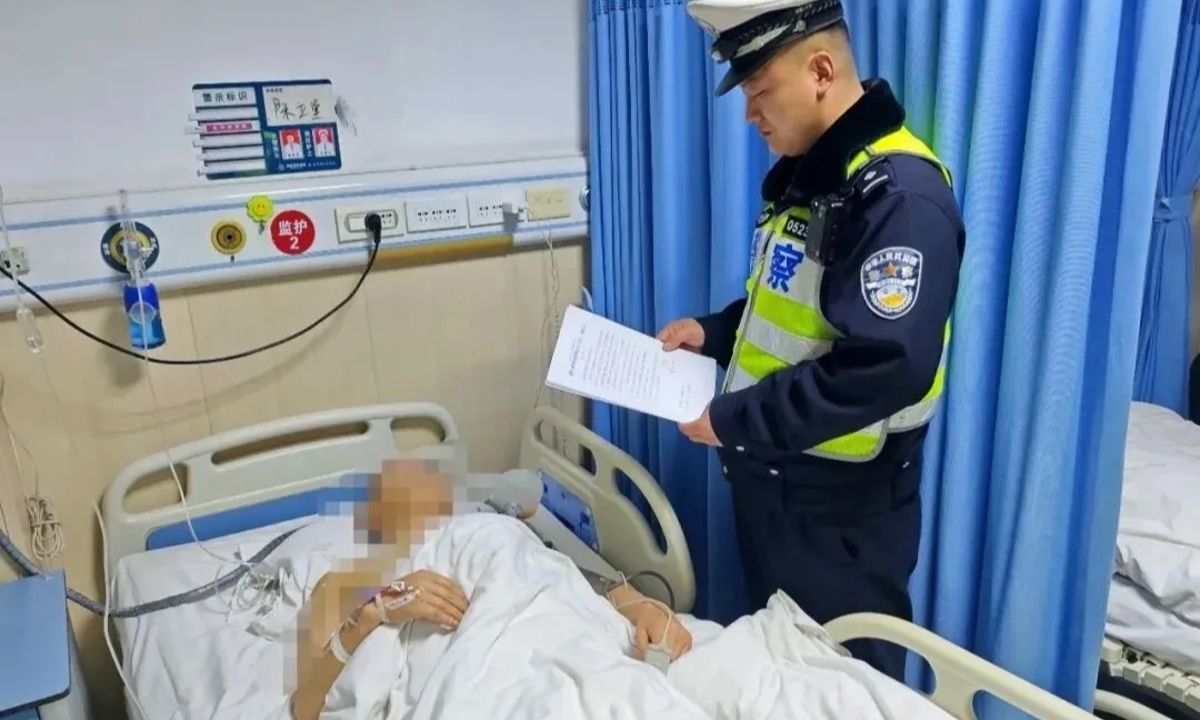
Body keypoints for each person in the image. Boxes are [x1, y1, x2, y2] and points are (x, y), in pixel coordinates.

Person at [657, 0, 965, 682]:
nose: (749, 114)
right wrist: (713, 333)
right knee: (779, 683)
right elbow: (793, 308)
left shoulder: (899, 198)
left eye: (760, 91)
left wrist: (735, 419)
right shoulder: (815, 177)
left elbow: (881, 366)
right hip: (777, 485)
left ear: (821, 72)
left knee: (846, 689)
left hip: (842, 515)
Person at [288, 459, 692, 720]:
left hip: (541, 626)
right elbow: (305, 707)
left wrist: (635, 603)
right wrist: (379, 609)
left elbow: (553, 574)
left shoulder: (489, 528)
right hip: (464, 671)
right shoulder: (347, 580)